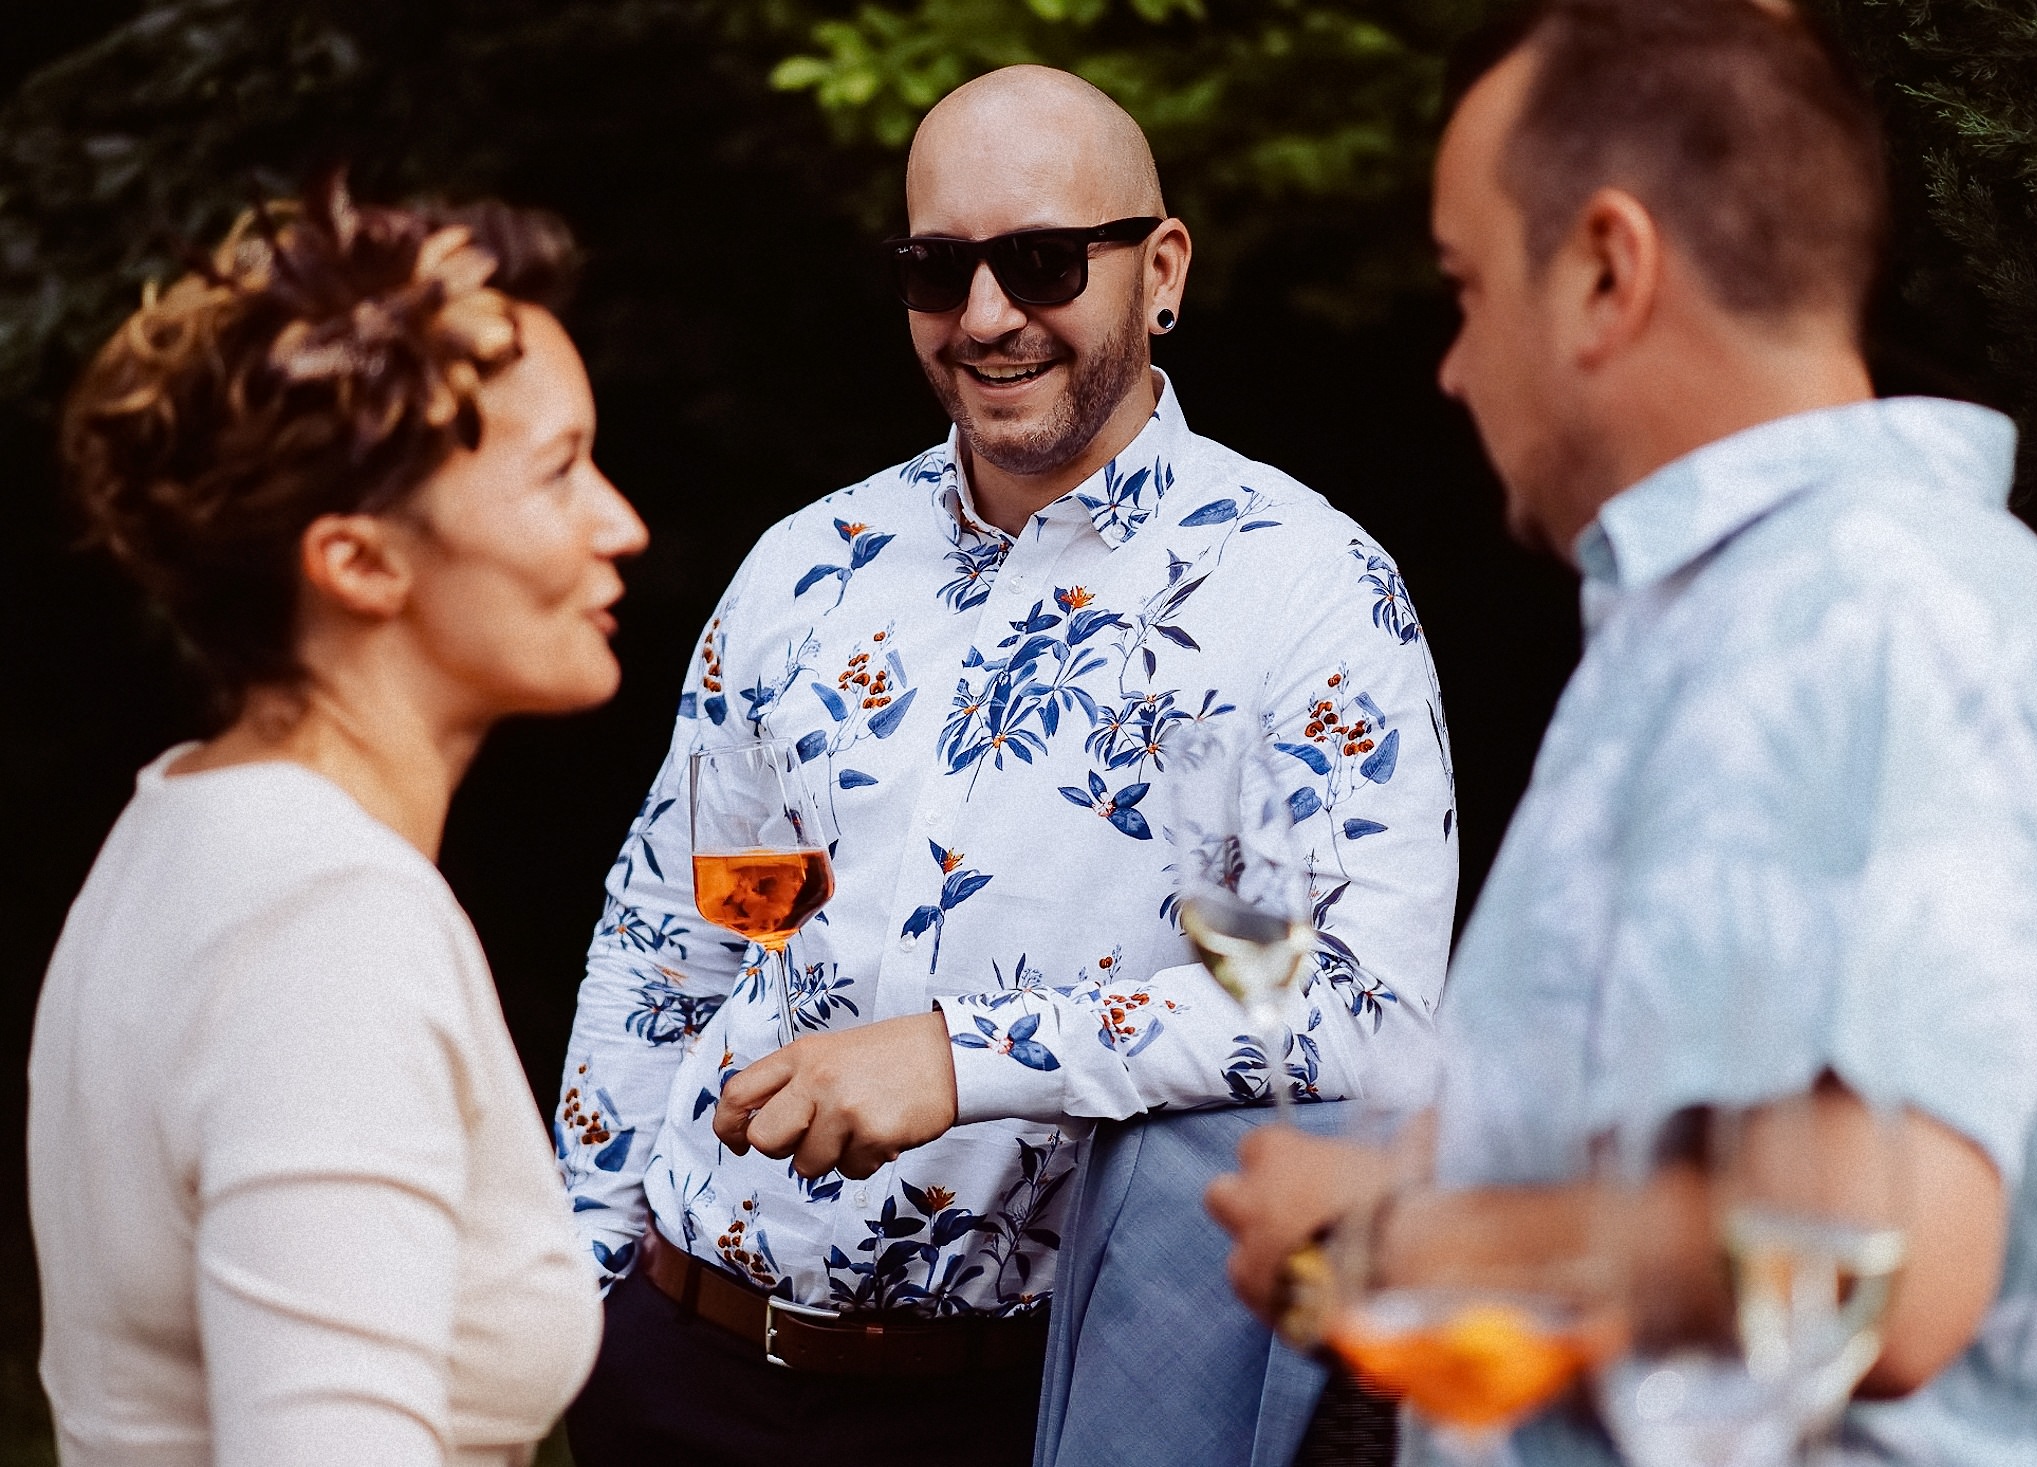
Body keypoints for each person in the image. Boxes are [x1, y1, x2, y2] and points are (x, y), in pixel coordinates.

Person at [1210, 1, 2037, 1462]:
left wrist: (1389, 1235)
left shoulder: (1862, 620)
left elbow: (1865, 1267)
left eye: (1468, 289)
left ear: (1609, 269)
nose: (1452, 366)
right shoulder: (1784, 615)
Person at [557, 63, 1457, 1467]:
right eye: (937, 270)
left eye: (1039, 262)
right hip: (680, 1364)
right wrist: (584, 1295)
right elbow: (694, 931)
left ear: (1160, 271)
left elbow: (1359, 1012)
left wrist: (963, 1059)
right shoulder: (807, 570)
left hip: (1004, 1405)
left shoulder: (1313, 597)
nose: (984, 317)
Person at [28, 176, 647, 1466]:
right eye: (560, 472)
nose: (621, 525)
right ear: (360, 561)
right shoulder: (326, 931)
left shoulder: (188, 821)